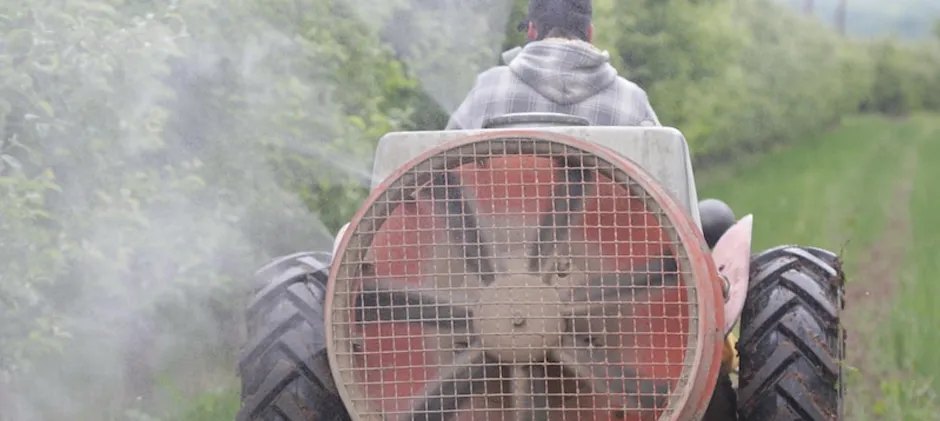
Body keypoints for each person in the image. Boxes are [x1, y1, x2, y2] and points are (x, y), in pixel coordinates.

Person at [445, 0, 661, 130]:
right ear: (590, 34)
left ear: (531, 31)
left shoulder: (488, 91)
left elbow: (436, 171)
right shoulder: (633, 103)